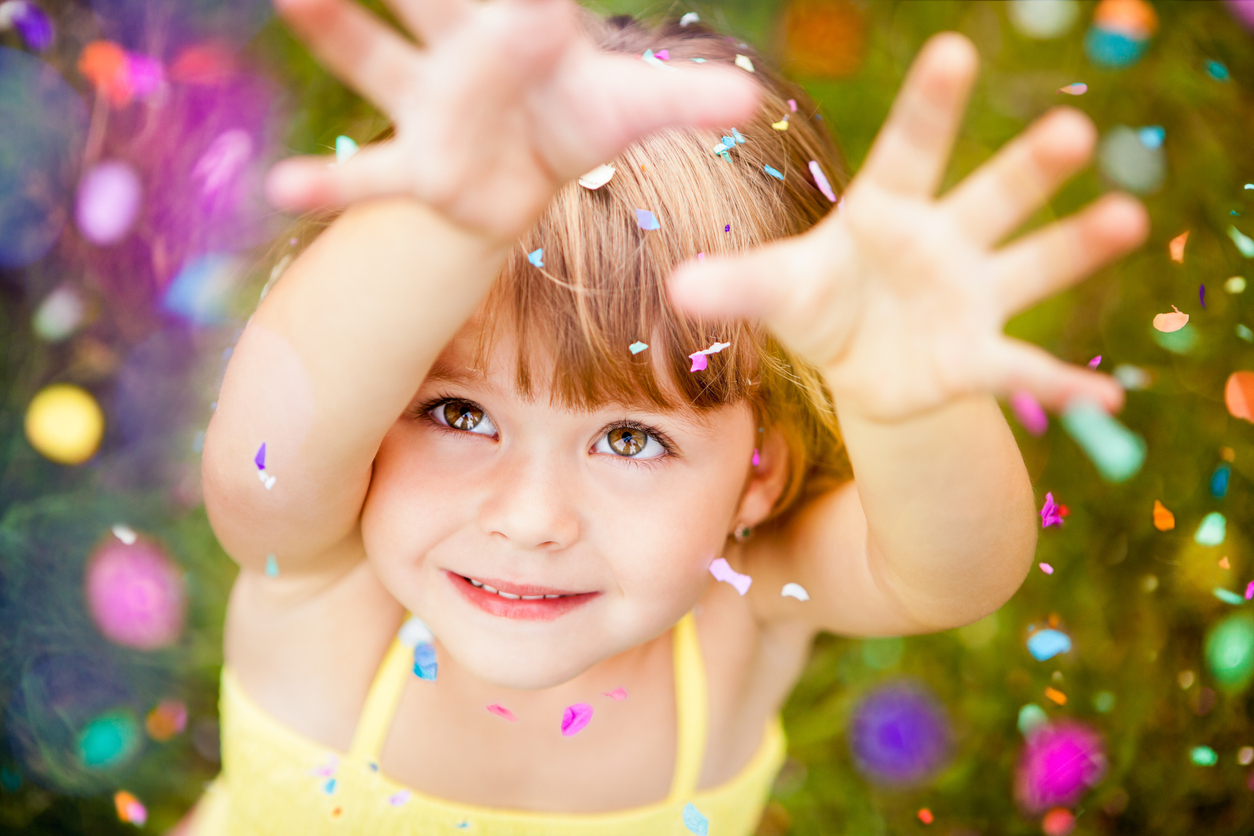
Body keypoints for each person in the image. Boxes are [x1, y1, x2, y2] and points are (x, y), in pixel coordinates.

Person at [186, 0, 1149, 833]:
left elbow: (952, 576)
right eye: (457, 413)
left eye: (632, 437)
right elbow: (258, 466)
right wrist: (453, 225)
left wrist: (912, 404)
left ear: (759, 472)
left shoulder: (750, 603)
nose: (530, 518)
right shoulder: (324, 579)